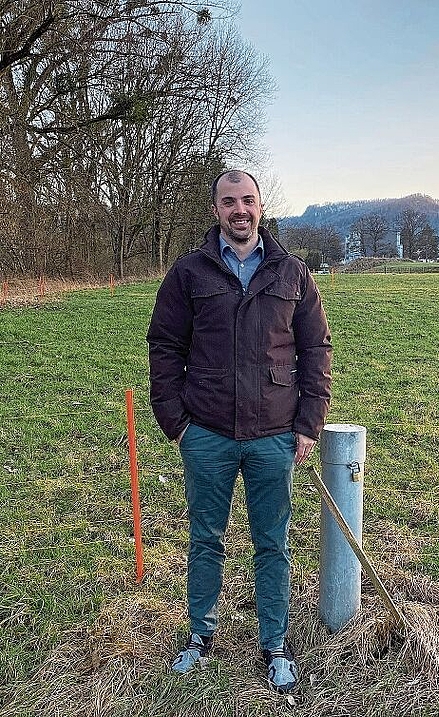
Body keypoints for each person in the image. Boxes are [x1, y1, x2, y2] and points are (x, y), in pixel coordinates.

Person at [147, 169, 332, 692]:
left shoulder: (292, 272)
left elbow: (316, 350)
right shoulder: (188, 273)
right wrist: (175, 422)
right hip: (205, 432)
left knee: (272, 544)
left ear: (261, 205)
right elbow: (164, 345)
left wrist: (309, 423)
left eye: (247, 200)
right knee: (205, 539)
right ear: (216, 210)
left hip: (275, 433)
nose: (240, 210)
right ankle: (199, 637)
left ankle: (275, 643)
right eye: (229, 202)